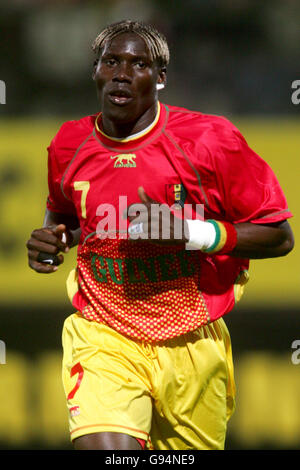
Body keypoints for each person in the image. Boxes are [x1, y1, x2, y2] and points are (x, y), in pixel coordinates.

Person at [26, 20, 294, 451]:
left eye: (139, 64)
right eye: (111, 61)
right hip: (104, 335)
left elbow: (279, 237)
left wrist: (190, 232)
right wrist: (54, 239)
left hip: (191, 344)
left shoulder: (211, 140)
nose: (122, 74)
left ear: (161, 78)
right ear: (95, 70)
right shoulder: (67, 143)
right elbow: (65, 211)